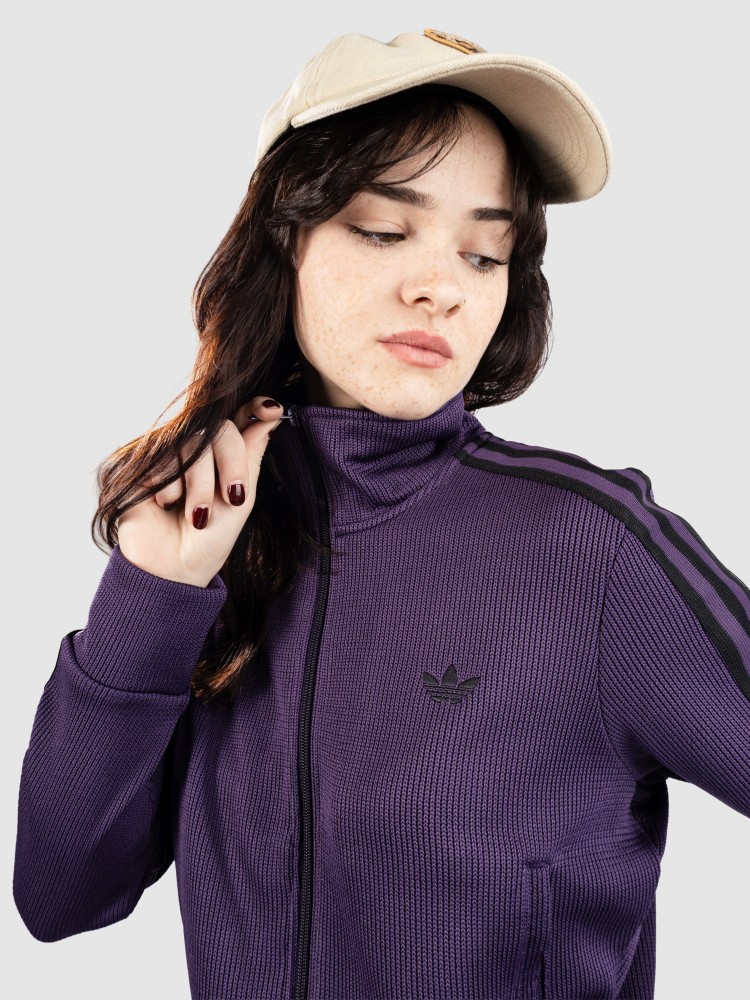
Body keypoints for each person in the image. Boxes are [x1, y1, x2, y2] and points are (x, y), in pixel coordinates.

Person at [12, 26, 750, 1000]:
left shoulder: (593, 549)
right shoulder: (217, 551)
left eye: (484, 253)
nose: (440, 287)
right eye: (383, 230)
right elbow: (60, 896)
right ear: (285, 237)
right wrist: (153, 591)